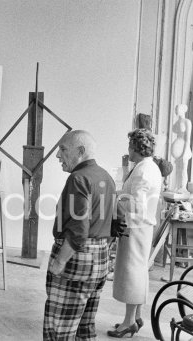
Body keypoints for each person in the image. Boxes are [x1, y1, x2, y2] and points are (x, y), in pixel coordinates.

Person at [43, 130, 123, 340]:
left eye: (63, 149)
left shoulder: (78, 179)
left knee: (59, 328)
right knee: (84, 329)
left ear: (80, 151)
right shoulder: (106, 177)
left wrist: (60, 261)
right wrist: (102, 249)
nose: (58, 155)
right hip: (100, 259)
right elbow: (120, 221)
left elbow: (78, 230)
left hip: (76, 259)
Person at [109, 129, 162, 338]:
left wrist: (115, 201)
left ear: (137, 148)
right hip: (140, 226)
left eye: (130, 146)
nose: (128, 150)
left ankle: (129, 322)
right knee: (137, 271)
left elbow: (137, 205)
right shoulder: (147, 167)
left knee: (132, 273)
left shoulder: (143, 170)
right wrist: (120, 193)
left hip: (136, 226)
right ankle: (136, 316)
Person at [170, 104, 192, 191]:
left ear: (183, 110)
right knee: (177, 169)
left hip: (184, 147)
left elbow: (188, 139)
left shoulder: (187, 122)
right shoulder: (177, 123)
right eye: (175, 109)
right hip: (178, 148)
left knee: (183, 169)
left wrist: (184, 151)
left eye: (178, 108)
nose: (176, 110)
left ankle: (183, 187)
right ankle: (177, 186)